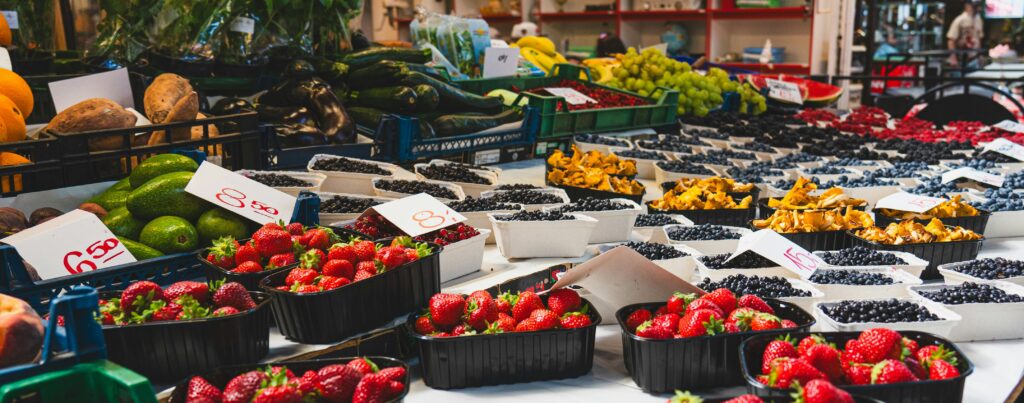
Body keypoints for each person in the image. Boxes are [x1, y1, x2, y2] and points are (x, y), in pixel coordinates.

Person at [946, 1, 984, 67]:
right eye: (975, 6)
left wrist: (980, 55)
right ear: (967, 6)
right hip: (962, 59)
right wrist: (953, 57)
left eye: (978, 6)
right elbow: (951, 40)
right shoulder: (960, 20)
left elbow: (979, 39)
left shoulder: (978, 19)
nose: (978, 8)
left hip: (974, 58)